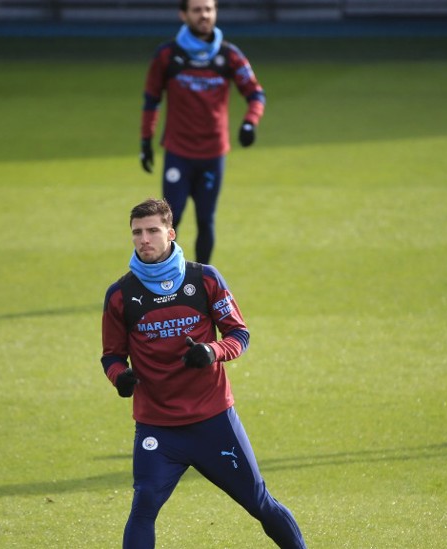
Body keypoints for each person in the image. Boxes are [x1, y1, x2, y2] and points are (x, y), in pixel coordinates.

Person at [100, 198, 306, 548]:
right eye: (137, 232)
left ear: (171, 232)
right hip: (157, 427)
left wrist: (212, 351)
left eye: (152, 230)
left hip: (213, 421)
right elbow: (111, 356)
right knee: (144, 506)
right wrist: (121, 377)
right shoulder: (121, 294)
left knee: (258, 502)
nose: (144, 239)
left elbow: (239, 334)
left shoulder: (205, 279)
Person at [139, 0, 265, 265]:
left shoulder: (229, 56)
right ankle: (167, 279)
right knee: (171, 221)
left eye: (209, 9)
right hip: (178, 153)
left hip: (212, 154)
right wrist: (146, 140)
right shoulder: (166, 55)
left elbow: (255, 93)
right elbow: (152, 99)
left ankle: (203, 280)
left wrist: (250, 122)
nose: (204, 15)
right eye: (197, 10)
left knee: (206, 220)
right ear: (183, 14)